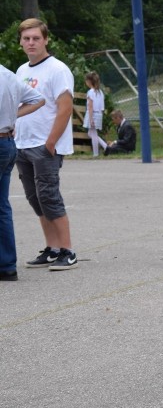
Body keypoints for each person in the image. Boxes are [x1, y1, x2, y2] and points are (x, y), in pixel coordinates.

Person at [15, 18, 79, 271]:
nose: (31, 43)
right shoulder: (22, 71)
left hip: (45, 145)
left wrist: (50, 143)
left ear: (45, 40)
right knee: (35, 198)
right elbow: (21, 104)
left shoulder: (57, 69)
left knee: (49, 196)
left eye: (36, 38)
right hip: (22, 143)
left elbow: (65, 109)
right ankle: (51, 248)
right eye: (26, 38)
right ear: (20, 41)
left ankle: (68, 250)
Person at [0, 64, 45, 281]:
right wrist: (11, 117)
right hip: (8, 142)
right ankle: (7, 265)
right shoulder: (9, 75)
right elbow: (38, 99)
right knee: (2, 206)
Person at [83, 71, 107, 157]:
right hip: (99, 114)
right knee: (92, 133)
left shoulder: (90, 92)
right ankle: (105, 146)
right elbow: (102, 107)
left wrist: (91, 118)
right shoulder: (100, 92)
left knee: (93, 134)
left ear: (89, 81)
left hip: (92, 114)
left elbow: (90, 106)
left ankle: (96, 153)